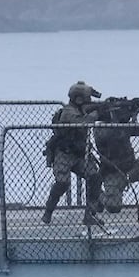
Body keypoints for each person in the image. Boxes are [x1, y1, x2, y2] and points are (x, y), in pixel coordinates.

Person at [38, 82, 97, 220]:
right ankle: (48, 212)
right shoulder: (68, 111)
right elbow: (82, 123)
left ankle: (90, 214)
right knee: (62, 183)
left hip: (79, 154)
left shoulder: (82, 111)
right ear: (79, 99)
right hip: (64, 153)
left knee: (94, 177)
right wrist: (95, 114)